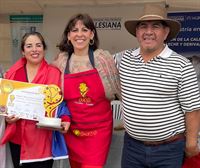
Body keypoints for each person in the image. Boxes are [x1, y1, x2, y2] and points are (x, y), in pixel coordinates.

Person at [114, 4, 200, 168]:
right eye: (143, 26)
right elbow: (93, 66)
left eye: (156, 26)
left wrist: (191, 143)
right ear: (137, 32)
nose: (148, 32)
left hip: (169, 150)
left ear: (166, 32)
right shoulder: (122, 59)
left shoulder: (182, 65)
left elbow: (193, 109)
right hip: (132, 148)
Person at [52, 13, 121, 168]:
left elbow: (119, 90)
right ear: (68, 36)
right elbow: (54, 95)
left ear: (92, 34)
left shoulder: (103, 59)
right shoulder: (61, 62)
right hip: (72, 131)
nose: (79, 34)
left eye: (84, 29)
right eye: (75, 30)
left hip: (99, 131)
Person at [0, 32, 70, 168]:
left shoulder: (54, 73)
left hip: (43, 140)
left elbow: (61, 102)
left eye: (38, 45)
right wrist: (8, 117)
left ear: (43, 49)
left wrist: (66, 118)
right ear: (22, 51)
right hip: (18, 140)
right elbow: (5, 105)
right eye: (29, 46)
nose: (34, 50)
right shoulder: (12, 74)